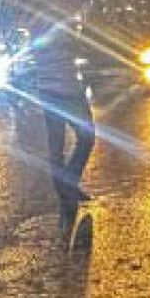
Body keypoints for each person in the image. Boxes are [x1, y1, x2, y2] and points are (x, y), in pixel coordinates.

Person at [29, 13, 96, 237]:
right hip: (52, 92)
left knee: (87, 136)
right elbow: (40, 49)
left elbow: (78, 49)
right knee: (57, 145)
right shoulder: (39, 26)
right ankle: (66, 193)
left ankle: (70, 184)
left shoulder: (66, 25)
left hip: (71, 89)